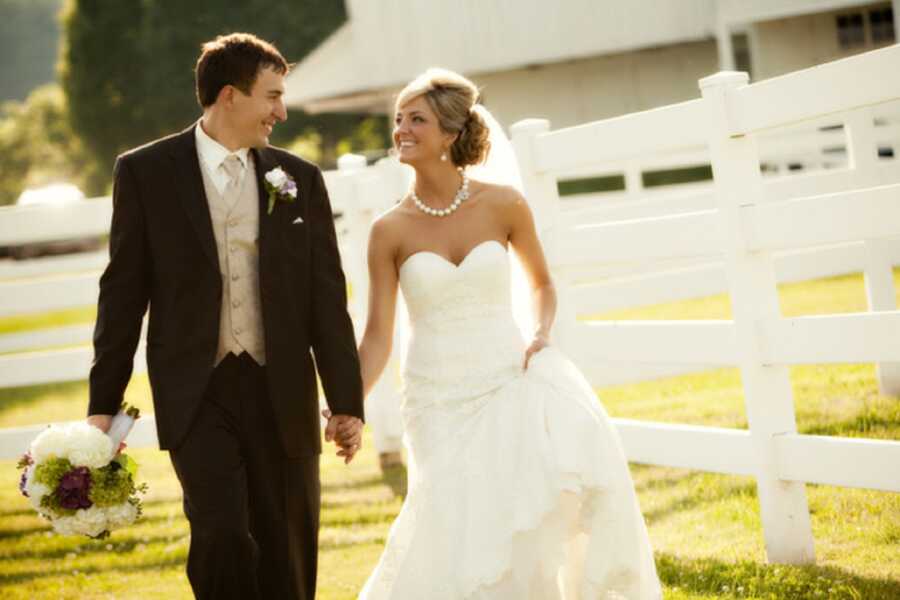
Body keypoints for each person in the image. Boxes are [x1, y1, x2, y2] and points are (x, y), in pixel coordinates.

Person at [356, 68, 662, 599]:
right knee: (449, 525)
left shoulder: (503, 205)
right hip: (436, 399)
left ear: (450, 134)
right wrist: (347, 402)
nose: (401, 129)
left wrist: (540, 331)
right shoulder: (389, 231)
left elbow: (541, 283)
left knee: (519, 521)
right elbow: (378, 334)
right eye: (398, 119)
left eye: (416, 120)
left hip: (506, 378)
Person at [85, 33, 364, 600]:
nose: (282, 112)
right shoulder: (145, 173)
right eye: (273, 96)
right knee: (222, 536)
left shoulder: (299, 179)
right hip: (197, 391)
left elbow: (325, 299)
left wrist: (347, 404)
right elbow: (122, 294)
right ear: (230, 96)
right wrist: (102, 406)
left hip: (281, 386)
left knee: (288, 545)